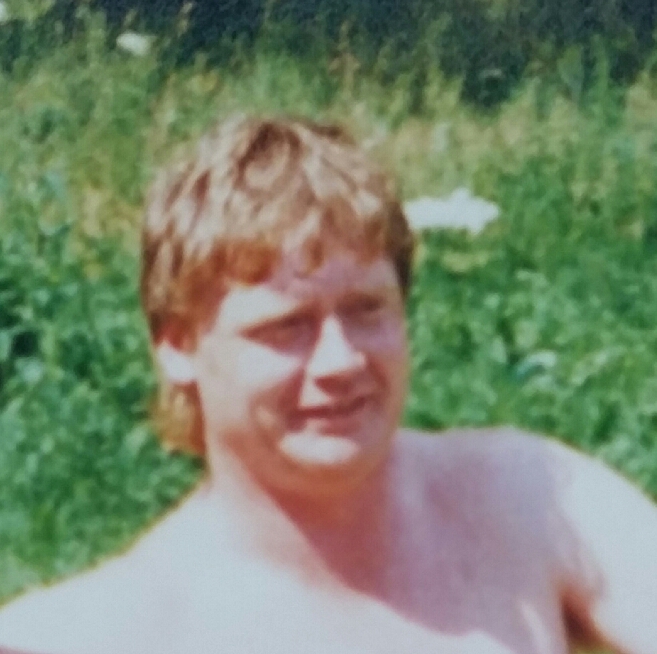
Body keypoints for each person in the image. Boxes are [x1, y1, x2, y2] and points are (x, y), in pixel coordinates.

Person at [0, 114, 656, 654]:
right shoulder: (112, 631)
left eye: (367, 310)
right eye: (286, 326)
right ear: (178, 346)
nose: (340, 361)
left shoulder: (528, 500)